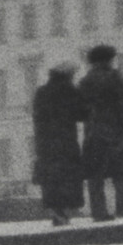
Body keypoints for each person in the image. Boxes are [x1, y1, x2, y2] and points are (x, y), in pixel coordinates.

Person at [76, 44, 123, 220]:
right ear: (108, 60)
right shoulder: (114, 78)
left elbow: (78, 111)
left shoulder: (84, 82)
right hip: (116, 132)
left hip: (93, 134)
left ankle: (98, 212)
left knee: (95, 174)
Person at [30, 62, 87, 225]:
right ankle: (65, 213)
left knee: (51, 179)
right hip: (65, 142)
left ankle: (56, 211)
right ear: (68, 76)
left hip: (45, 144)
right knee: (68, 177)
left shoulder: (41, 92)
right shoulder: (70, 91)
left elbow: (36, 117)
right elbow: (82, 114)